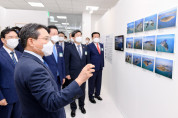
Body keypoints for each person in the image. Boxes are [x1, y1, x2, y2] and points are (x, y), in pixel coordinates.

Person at [14, 23, 95, 118]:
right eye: (46, 39)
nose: (50, 42)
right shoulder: (34, 69)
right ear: (31, 41)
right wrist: (80, 79)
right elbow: (52, 102)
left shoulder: (27, 60)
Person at [64, 30, 89, 117]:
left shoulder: (85, 47)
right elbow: (66, 62)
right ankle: (73, 108)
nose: (80, 37)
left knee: (82, 90)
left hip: (83, 74)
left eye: (80, 35)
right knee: (73, 91)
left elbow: (87, 61)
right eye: (78, 35)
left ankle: (82, 106)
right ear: (73, 37)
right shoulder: (69, 48)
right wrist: (67, 73)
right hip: (72, 74)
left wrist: (88, 71)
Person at [0, 27, 22, 118]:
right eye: (10, 37)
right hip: (6, 97)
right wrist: (0, 97)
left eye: (16, 37)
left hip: (21, 98)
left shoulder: (20, 54)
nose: (14, 39)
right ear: (3, 40)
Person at [43, 25, 65, 90]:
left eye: (57, 34)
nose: (56, 35)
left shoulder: (59, 47)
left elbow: (62, 62)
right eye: (54, 34)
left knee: (58, 94)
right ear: (48, 35)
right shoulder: (44, 47)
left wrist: (63, 76)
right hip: (48, 77)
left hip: (59, 76)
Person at [87, 32, 104, 104]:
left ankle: (97, 94)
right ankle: (91, 96)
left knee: (99, 82)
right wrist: (89, 67)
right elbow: (88, 58)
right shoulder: (89, 46)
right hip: (93, 67)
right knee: (92, 82)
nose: (96, 38)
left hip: (100, 67)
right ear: (92, 38)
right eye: (95, 36)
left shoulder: (101, 45)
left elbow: (102, 55)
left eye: (98, 36)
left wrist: (102, 65)